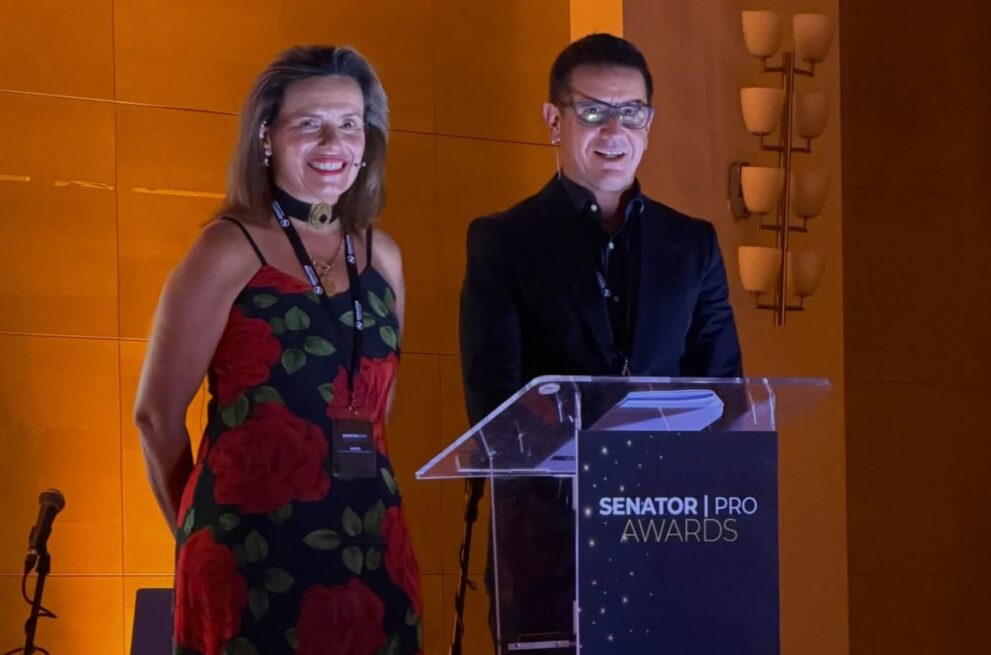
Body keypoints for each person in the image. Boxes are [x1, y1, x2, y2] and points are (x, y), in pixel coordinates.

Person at [134, 45, 422, 655]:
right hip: (248, 555)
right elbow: (155, 416)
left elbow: (374, 411)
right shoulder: (227, 248)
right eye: (310, 124)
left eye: (349, 124)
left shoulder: (385, 257)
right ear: (266, 136)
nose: (333, 143)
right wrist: (200, 539)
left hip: (373, 546)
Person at [459, 33, 742, 651]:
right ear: (553, 121)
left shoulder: (691, 244)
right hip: (545, 538)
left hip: (668, 531)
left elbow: (724, 393)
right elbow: (494, 405)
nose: (614, 130)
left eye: (631, 113)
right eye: (592, 111)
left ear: (649, 124)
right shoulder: (504, 241)